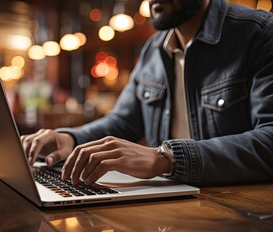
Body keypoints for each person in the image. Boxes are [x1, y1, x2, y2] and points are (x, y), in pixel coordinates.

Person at [21, 0, 273, 187]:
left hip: (236, 209)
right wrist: (71, 139)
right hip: (167, 203)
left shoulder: (259, 32)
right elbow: (123, 120)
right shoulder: (152, 49)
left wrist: (166, 158)